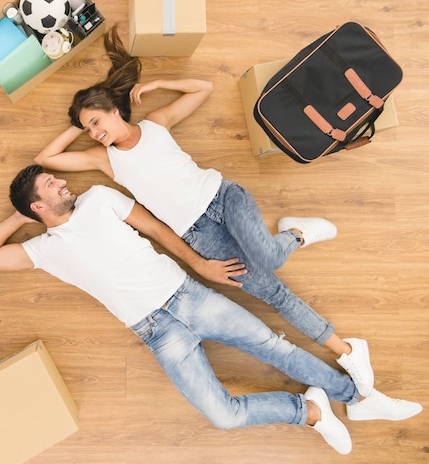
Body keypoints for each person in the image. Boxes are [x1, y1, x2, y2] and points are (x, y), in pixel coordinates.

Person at [0, 165, 422, 456]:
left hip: (188, 294)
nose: (62, 182)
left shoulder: (100, 199)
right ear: (38, 205)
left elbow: (159, 231)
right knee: (222, 416)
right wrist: (21, 218)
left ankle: (358, 398)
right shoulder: (43, 249)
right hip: (157, 332)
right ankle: (308, 411)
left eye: (56, 178)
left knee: (274, 348)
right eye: (51, 185)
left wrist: (201, 264)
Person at [33, 25, 374, 396]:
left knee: (269, 257)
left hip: (224, 197)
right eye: (87, 128)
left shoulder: (157, 123)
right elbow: (45, 159)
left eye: (96, 121)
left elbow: (203, 88)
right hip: (199, 234)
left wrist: (160, 83)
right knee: (272, 293)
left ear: (116, 110)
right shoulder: (104, 160)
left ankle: (296, 235)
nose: (94, 131)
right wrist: (75, 124)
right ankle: (346, 346)